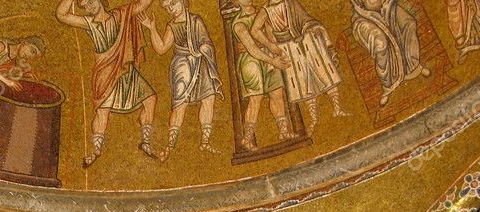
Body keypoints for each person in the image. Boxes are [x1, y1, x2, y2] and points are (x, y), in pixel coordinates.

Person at [55, 0, 158, 167]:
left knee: (150, 99)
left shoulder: (120, 15)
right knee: (103, 111)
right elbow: (61, 15)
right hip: (104, 73)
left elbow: (143, 4)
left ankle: (145, 141)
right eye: (85, 6)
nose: (89, 7)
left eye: (91, 1)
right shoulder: (89, 22)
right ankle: (96, 150)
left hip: (126, 70)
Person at [140, 0, 223, 158]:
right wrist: (152, 28)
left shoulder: (196, 20)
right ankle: (171, 145)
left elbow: (207, 42)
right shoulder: (172, 26)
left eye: (173, 3)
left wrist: (202, 48)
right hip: (182, 66)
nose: (171, 9)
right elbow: (161, 48)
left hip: (201, 63)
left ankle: (205, 142)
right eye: (167, 7)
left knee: (208, 99)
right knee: (179, 105)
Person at [252, 0, 346, 136]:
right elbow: (254, 30)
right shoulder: (266, 9)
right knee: (303, 84)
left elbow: (305, 18)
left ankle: (337, 108)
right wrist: (271, 46)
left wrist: (310, 28)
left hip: (307, 40)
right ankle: (314, 119)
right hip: (287, 48)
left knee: (324, 72)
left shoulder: (290, 2)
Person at [229, 0, 292, 151]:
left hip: (270, 56)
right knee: (255, 99)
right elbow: (251, 48)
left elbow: (271, 35)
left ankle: (283, 131)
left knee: (277, 93)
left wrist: (278, 52)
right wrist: (272, 60)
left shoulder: (262, 12)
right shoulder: (238, 23)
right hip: (250, 60)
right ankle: (247, 139)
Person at [351, 0, 430, 107]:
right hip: (364, 17)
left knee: (409, 23)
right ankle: (388, 86)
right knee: (380, 44)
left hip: (387, 7)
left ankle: (413, 67)